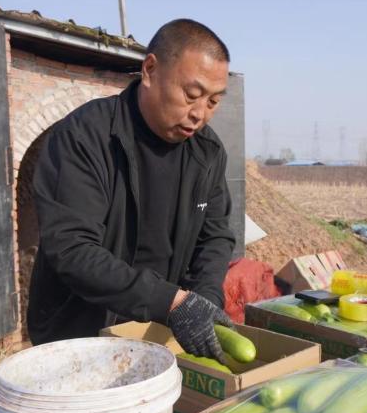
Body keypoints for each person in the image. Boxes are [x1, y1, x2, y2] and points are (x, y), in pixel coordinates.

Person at [27, 19, 236, 363]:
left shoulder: (207, 153)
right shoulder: (85, 136)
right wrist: (171, 302)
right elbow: (72, 248)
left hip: (156, 332)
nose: (199, 114)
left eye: (213, 101)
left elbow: (215, 237)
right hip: (80, 335)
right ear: (150, 70)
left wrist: (204, 301)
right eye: (191, 95)